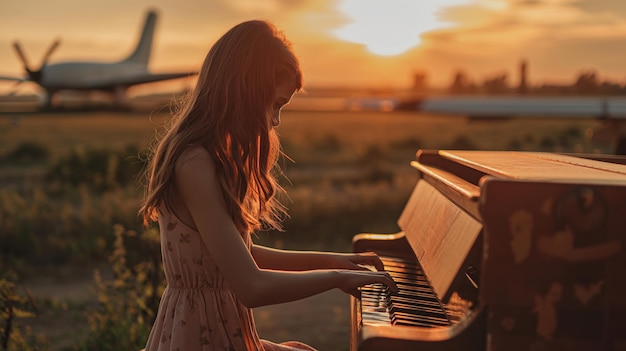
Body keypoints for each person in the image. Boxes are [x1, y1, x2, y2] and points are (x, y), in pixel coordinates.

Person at [139, 19, 397, 351]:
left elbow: (239, 255)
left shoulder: (206, 158)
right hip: (200, 338)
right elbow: (251, 286)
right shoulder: (194, 164)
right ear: (243, 91)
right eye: (275, 104)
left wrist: (332, 261)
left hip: (218, 330)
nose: (276, 120)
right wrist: (337, 279)